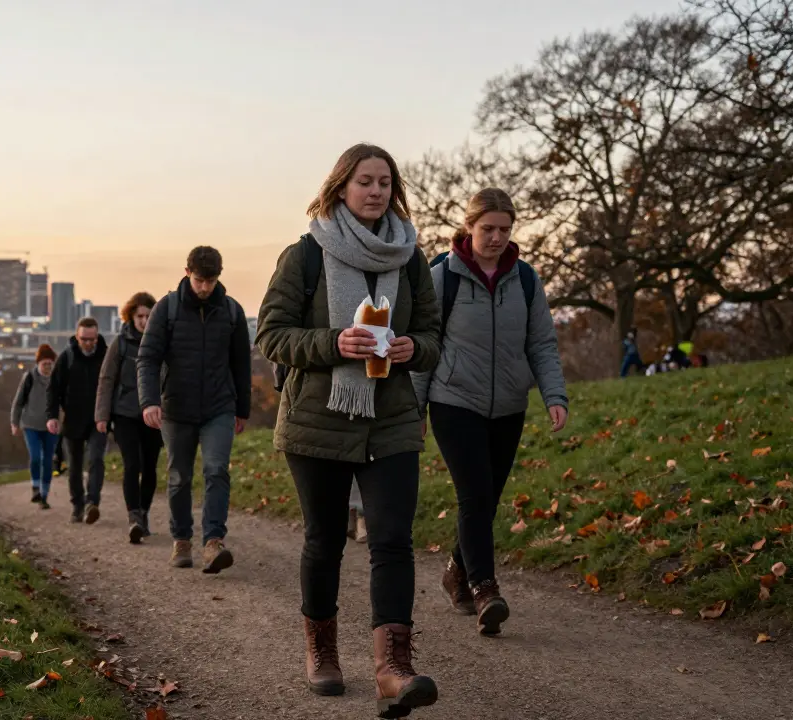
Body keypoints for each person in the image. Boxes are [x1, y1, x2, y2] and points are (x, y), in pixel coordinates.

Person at [255, 143, 441, 716]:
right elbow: (271, 334)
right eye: (365, 181)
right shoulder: (305, 255)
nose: (377, 191)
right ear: (341, 187)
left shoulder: (409, 257)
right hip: (318, 419)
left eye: (386, 181)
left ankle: (392, 669)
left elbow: (434, 334)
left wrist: (413, 348)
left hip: (390, 419)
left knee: (391, 538)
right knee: (325, 539)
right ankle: (323, 651)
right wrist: (333, 342)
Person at [413, 188, 568, 639]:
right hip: (453, 400)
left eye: (504, 229)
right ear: (469, 227)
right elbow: (426, 346)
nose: (497, 237)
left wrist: (554, 396)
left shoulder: (525, 279)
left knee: (487, 498)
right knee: (475, 494)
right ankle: (485, 589)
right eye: (488, 229)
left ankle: (455, 571)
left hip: (509, 406)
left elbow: (540, 343)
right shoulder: (442, 277)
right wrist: (414, 408)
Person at [139, 246, 251, 574]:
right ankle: (182, 540)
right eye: (200, 280)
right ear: (187, 273)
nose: (205, 287)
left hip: (219, 406)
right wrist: (149, 401)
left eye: (211, 281)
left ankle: (213, 542)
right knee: (179, 476)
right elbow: (147, 358)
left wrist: (241, 409)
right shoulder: (167, 309)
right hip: (176, 409)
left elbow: (241, 365)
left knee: (216, 469)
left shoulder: (231, 311)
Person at [95, 292, 163, 544]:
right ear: (131, 317)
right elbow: (106, 379)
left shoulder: (160, 342)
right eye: (140, 316)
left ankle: (144, 513)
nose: (144, 321)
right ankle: (133, 517)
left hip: (154, 413)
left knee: (150, 467)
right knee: (131, 464)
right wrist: (101, 415)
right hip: (124, 413)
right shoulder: (120, 343)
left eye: (148, 316)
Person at [47, 317, 109, 524]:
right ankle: (77, 505)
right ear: (77, 337)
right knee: (74, 465)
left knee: (96, 459)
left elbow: (114, 387)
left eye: (92, 339)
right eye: (84, 339)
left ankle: (92, 502)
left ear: (97, 337)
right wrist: (52, 416)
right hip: (72, 420)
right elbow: (53, 389)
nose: (89, 343)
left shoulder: (106, 357)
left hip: (98, 420)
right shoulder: (66, 358)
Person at [12, 344, 60, 510]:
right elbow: (18, 402)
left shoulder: (57, 379)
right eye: (44, 364)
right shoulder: (29, 378)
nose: (47, 367)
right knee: (35, 457)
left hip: (51, 426)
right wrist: (14, 422)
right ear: (38, 363)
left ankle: (44, 496)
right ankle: (35, 486)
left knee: (48, 461)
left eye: (50, 364)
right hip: (30, 424)